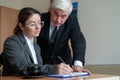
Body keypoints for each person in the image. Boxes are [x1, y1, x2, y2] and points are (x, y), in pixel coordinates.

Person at [1, 7, 73, 76]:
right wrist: (54, 69)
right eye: (32, 24)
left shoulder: (36, 46)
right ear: (21, 26)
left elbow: (38, 70)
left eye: (39, 23)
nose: (38, 27)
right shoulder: (12, 42)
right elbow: (23, 68)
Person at [37, 0, 90, 73]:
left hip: (65, 66)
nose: (58, 20)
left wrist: (77, 64)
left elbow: (78, 40)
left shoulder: (72, 20)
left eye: (63, 16)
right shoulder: (40, 18)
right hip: (44, 65)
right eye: (56, 14)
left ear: (68, 15)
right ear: (50, 10)